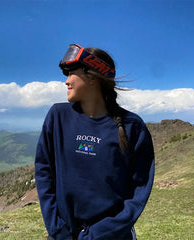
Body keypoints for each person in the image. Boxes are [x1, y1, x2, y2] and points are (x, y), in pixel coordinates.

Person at [35, 44, 155, 240]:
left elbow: (139, 191)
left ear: (92, 76)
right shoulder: (58, 116)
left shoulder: (132, 126)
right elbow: (43, 172)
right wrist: (58, 230)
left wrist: (100, 234)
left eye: (71, 73)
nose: (66, 82)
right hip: (63, 235)